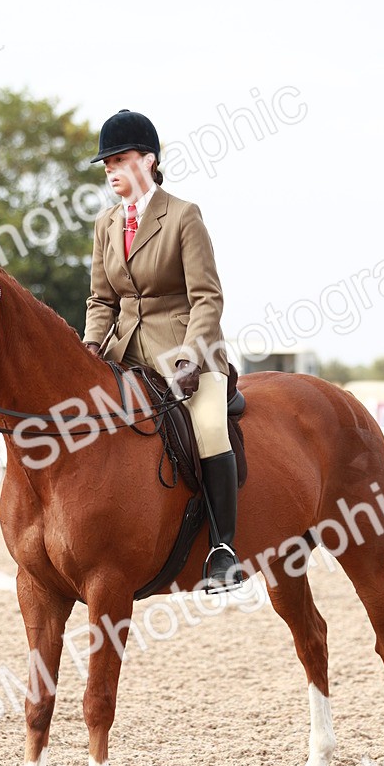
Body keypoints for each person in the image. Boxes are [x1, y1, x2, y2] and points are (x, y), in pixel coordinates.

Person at [83, 108, 243, 591]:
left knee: (211, 429)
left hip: (182, 348)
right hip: (121, 350)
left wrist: (192, 356)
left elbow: (207, 296)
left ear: (149, 161)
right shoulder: (106, 223)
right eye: (106, 163)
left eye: (120, 159)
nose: (111, 170)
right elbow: (101, 298)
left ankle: (223, 548)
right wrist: (90, 345)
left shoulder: (183, 215)